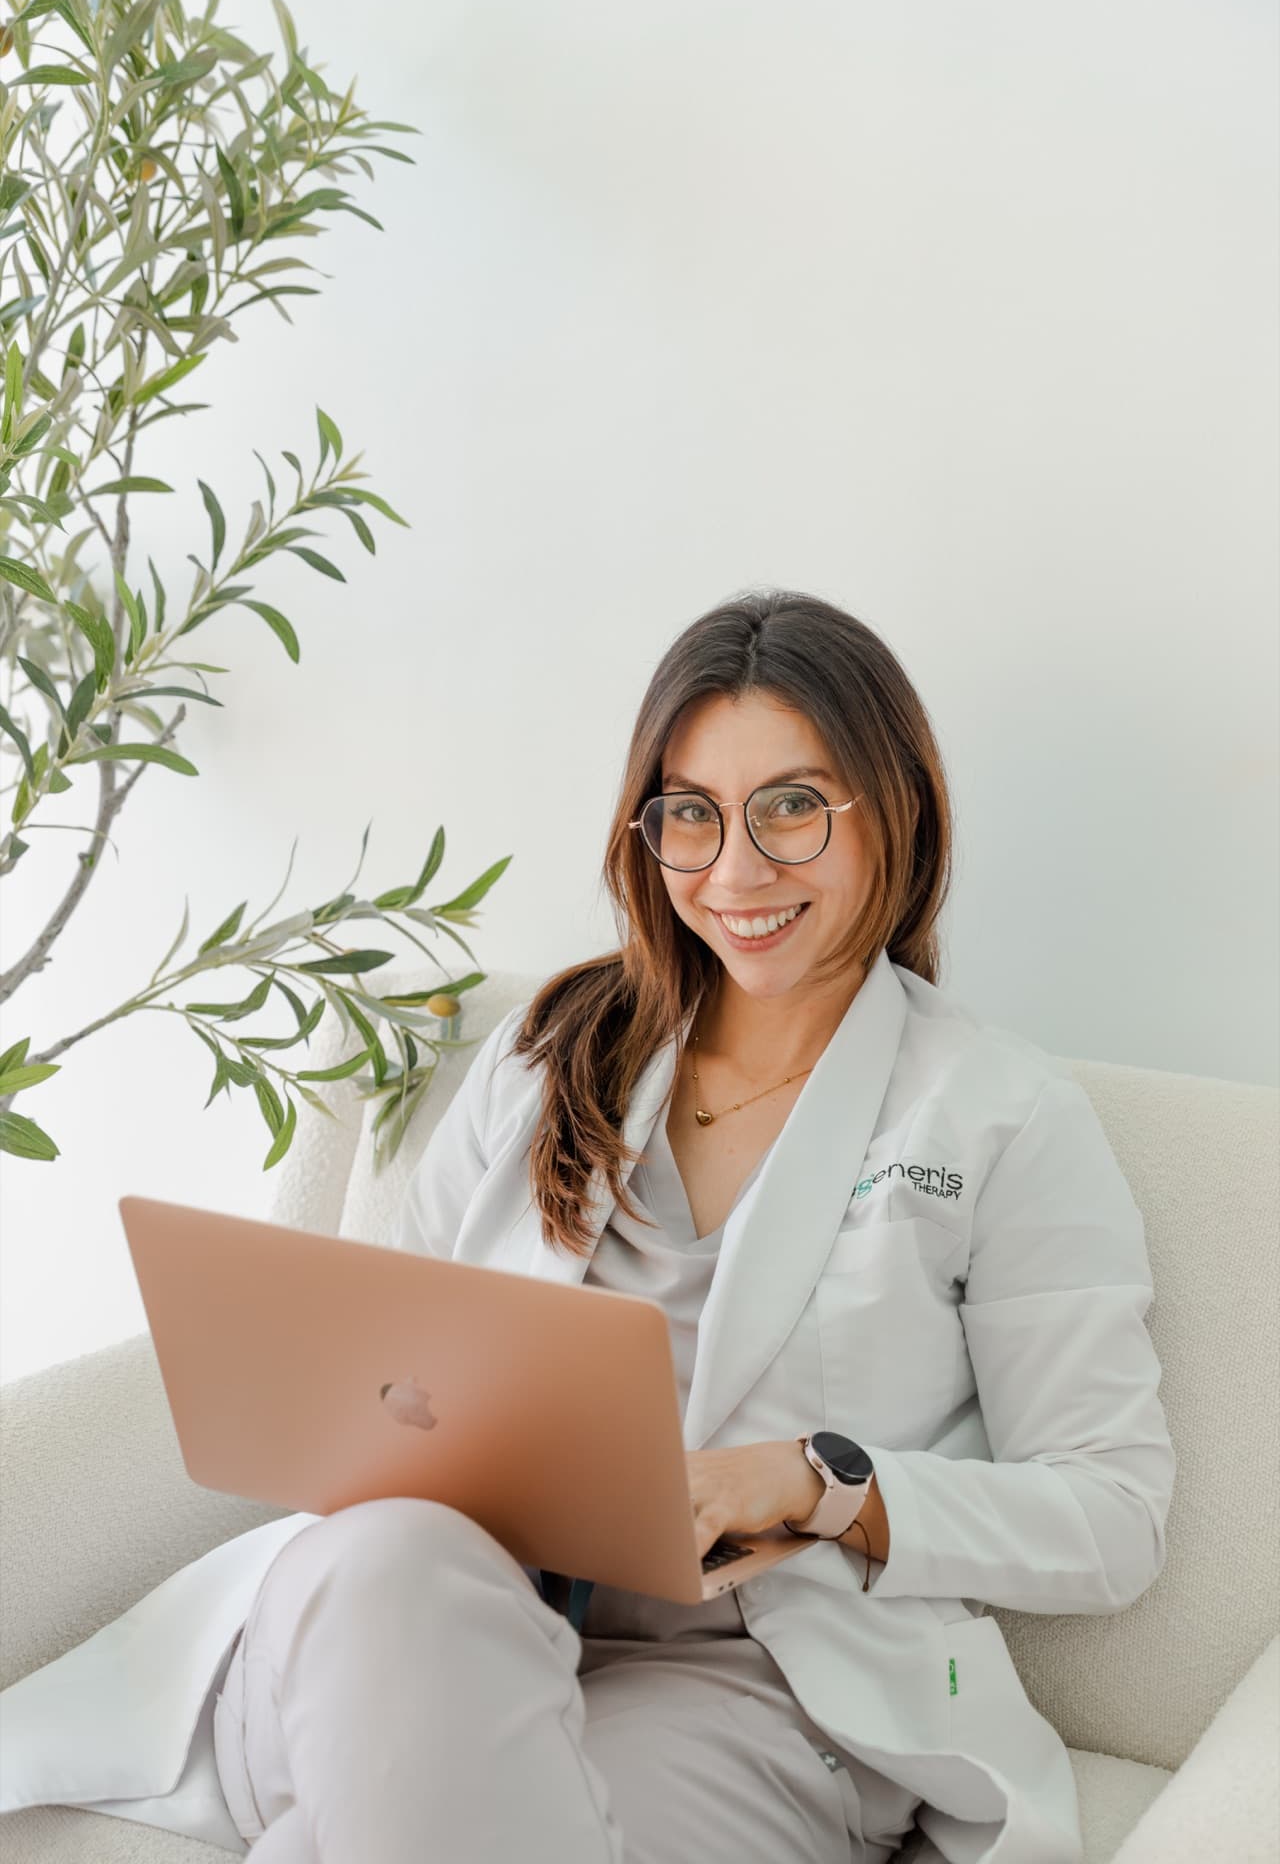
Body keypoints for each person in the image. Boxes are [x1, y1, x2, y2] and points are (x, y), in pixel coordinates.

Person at [207, 588, 1175, 1863]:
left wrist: (818, 1484)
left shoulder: (998, 1115)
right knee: (383, 1564)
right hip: (451, 1614)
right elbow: (394, 1356)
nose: (733, 873)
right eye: (690, 815)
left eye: (790, 807)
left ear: (896, 808)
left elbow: (1112, 1515)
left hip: (749, 1681)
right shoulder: (552, 1046)